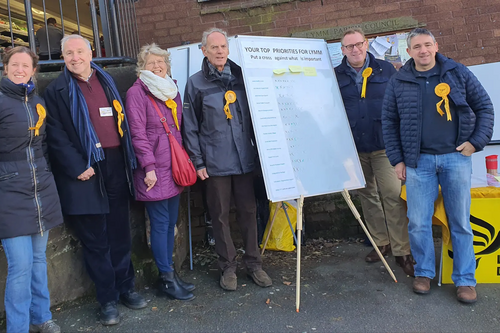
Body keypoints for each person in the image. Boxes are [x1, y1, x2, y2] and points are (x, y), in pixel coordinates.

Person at [382, 28, 494, 303]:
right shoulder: (399, 81)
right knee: (418, 222)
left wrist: (476, 142)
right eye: (417, 46)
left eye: (427, 45)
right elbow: (389, 122)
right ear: (409, 52)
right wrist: (397, 159)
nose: (423, 50)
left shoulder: (458, 73)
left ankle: (465, 280)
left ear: (436, 46)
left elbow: (485, 108)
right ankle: (423, 274)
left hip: (456, 159)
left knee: (460, 222)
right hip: (418, 163)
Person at [44, 35, 146, 325]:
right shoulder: (57, 90)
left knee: (120, 232)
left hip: (115, 163)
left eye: (79, 51)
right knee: (95, 241)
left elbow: (121, 120)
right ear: (62, 57)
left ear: (91, 53)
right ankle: (108, 299)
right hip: (84, 172)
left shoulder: (107, 80)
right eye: (68, 53)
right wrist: (78, 165)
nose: (75, 58)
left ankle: (127, 287)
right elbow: (55, 135)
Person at [182, 28, 272, 291]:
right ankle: (228, 267)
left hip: (245, 160)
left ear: (228, 49)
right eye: (214, 48)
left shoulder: (243, 77)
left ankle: (254, 264)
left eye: (223, 47)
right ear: (204, 51)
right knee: (219, 216)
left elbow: (257, 117)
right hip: (215, 164)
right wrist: (198, 162)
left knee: (249, 212)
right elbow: (190, 126)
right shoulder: (195, 83)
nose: (220, 51)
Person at [335, 28, 414, 276]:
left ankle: (402, 251)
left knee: (391, 195)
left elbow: (399, 106)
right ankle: (381, 244)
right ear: (342, 50)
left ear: (366, 44)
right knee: (367, 196)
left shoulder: (386, 70)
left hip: (384, 146)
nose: (355, 50)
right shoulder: (334, 75)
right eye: (349, 46)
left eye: (358, 44)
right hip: (354, 148)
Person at [0, 46, 63, 333]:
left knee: (39, 260)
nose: (20, 69)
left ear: (34, 70)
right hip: (9, 193)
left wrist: (46, 174)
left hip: (41, 190)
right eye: (15, 64)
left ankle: (41, 318)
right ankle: (17, 328)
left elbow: (43, 147)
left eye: (26, 65)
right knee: (21, 265)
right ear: (5, 67)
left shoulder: (37, 101)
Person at [126, 43, 195, 301]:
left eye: (161, 62)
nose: (157, 66)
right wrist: (149, 167)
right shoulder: (137, 93)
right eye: (151, 63)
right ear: (142, 67)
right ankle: (165, 278)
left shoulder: (171, 89)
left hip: (174, 165)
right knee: (160, 224)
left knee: (170, 223)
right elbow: (138, 133)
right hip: (153, 169)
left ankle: (170, 274)